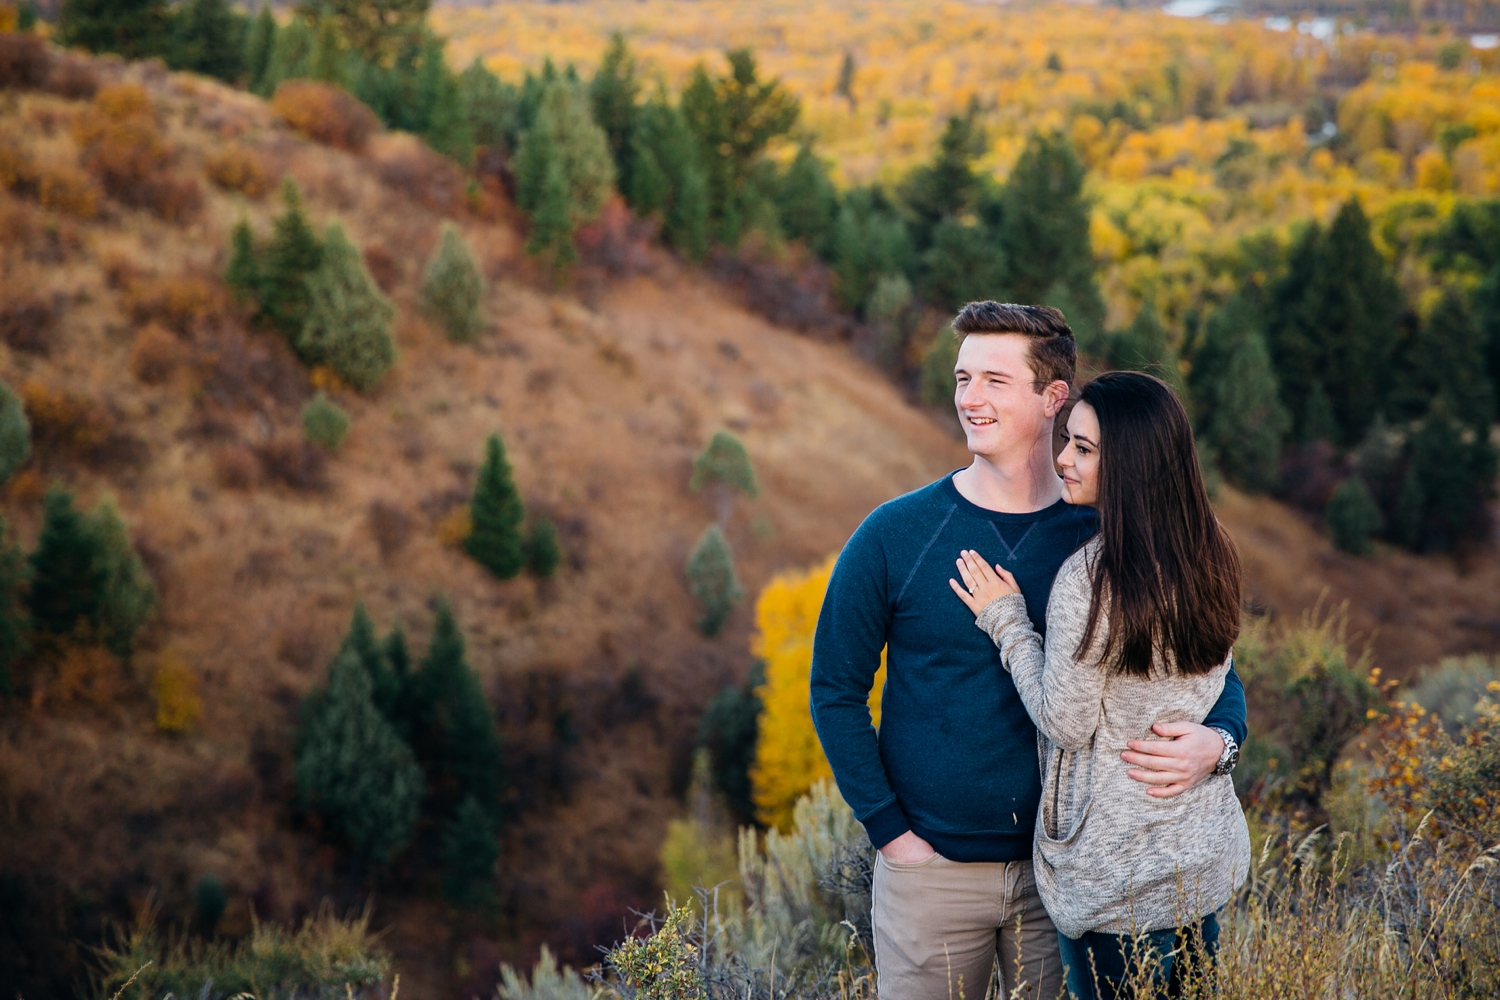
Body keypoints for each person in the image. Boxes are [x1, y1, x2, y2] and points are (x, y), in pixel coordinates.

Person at [810, 302, 1245, 1000]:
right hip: (933, 875)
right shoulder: (895, 534)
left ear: (1053, 399)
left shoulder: (1108, 538)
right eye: (961, 378)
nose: (969, 399)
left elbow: (1205, 665)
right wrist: (893, 836)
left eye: (993, 380)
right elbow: (834, 689)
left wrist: (1219, 739)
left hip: (1070, 883)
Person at [950, 371, 1251, 999]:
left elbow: (1065, 721)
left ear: (1132, 466)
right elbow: (1217, 676)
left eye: (1084, 449)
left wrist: (1008, 623)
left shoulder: (1091, 580)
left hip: (1116, 882)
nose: (1062, 457)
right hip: (1198, 861)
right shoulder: (1212, 550)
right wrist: (1222, 744)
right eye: (1068, 440)